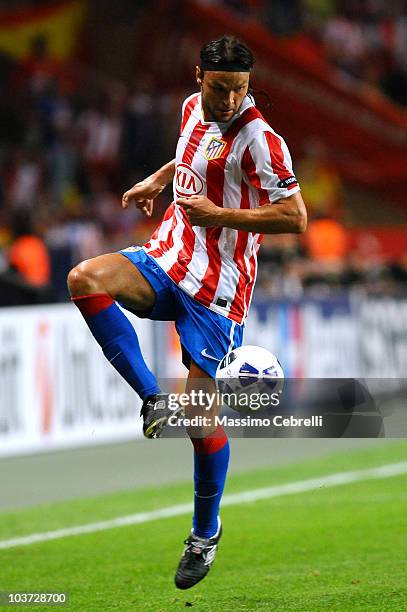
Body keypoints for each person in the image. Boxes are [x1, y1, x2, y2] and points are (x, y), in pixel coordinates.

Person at [67, 35, 307, 589]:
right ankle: (153, 399)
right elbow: (193, 152)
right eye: (220, 88)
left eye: (240, 90)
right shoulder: (189, 108)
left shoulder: (262, 141)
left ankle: (204, 534)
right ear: (200, 76)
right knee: (85, 279)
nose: (229, 101)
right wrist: (159, 178)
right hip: (167, 258)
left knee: (200, 420)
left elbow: (295, 218)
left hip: (218, 293)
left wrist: (219, 212)